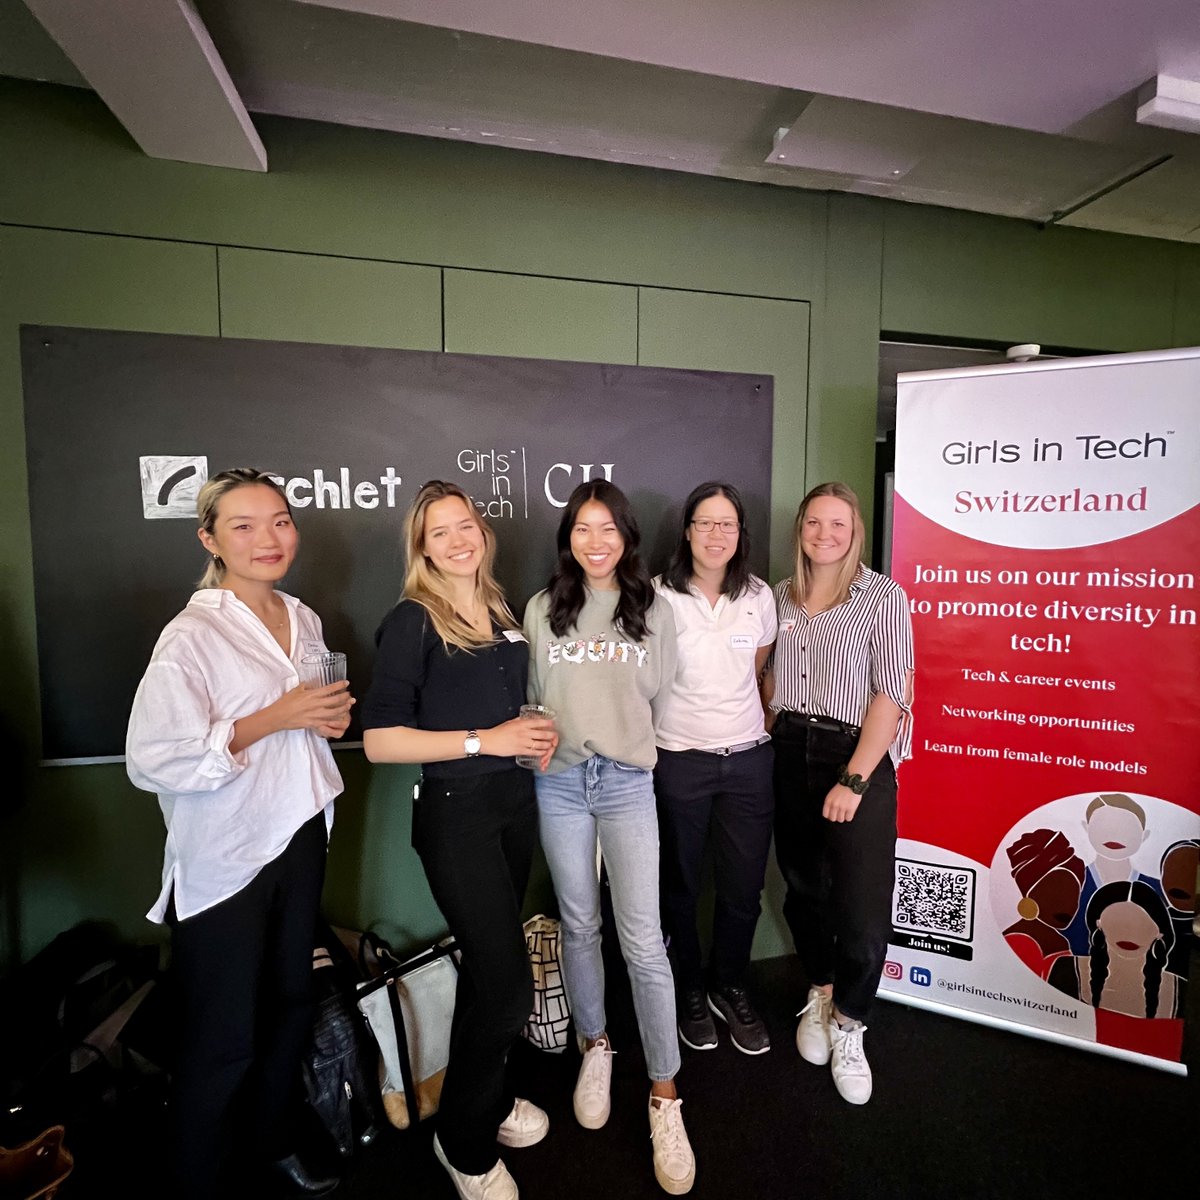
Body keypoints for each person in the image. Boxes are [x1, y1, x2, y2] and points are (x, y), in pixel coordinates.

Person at [126, 467, 353, 1199]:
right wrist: (273, 718)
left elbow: (313, 716)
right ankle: (196, 1177)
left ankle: (274, 1139)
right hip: (226, 855)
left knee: (291, 1003)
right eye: (245, 525)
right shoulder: (191, 635)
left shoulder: (305, 616)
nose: (268, 538)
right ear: (210, 539)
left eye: (280, 521)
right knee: (223, 1035)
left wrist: (326, 721)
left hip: (299, 833)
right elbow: (153, 758)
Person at [360, 480, 557, 1200]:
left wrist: (532, 731)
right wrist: (488, 740)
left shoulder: (502, 607)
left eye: (464, 525)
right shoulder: (413, 620)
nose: (456, 540)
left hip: (513, 806)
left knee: (485, 974)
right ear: (421, 547)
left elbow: (506, 709)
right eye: (438, 532)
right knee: (508, 990)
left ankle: (489, 1100)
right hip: (456, 816)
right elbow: (380, 741)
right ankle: (462, 1145)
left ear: (482, 531)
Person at [523, 480, 694, 1196]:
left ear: (626, 536)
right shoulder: (541, 608)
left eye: (609, 529)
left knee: (643, 939)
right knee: (579, 925)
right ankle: (598, 1045)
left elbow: (654, 692)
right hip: (559, 782)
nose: (597, 543)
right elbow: (533, 695)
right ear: (569, 538)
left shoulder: (652, 607)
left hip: (625, 781)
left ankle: (664, 1094)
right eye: (583, 530)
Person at [762, 481, 913, 1106]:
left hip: (856, 753)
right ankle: (819, 992)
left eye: (838, 525)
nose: (825, 535)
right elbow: (763, 678)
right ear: (800, 529)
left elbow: (891, 695)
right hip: (787, 749)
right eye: (814, 523)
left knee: (862, 905)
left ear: (855, 532)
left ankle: (852, 1021)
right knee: (804, 888)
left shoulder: (882, 596)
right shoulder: (776, 598)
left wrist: (853, 778)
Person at [653, 481, 777, 1055]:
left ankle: (730, 985)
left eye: (727, 524)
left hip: (748, 763)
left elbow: (756, 670)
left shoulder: (758, 595)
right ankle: (690, 992)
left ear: (739, 533)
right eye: (706, 522)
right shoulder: (656, 597)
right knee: (678, 888)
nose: (716, 534)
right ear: (687, 530)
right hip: (678, 762)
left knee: (742, 890)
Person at [1048, 880, 1183, 1018]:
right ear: (1098, 923)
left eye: (1139, 923)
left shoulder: (1179, 987)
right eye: (1117, 921)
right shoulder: (1066, 970)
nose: (1128, 934)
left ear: (1159, 932)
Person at [1001, 828, 1085, 981]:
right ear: (1029, 894)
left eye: (1074, 894)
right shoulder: (1020, 939)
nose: (1067, 905)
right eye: (1055, 892)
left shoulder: (1059, 941)